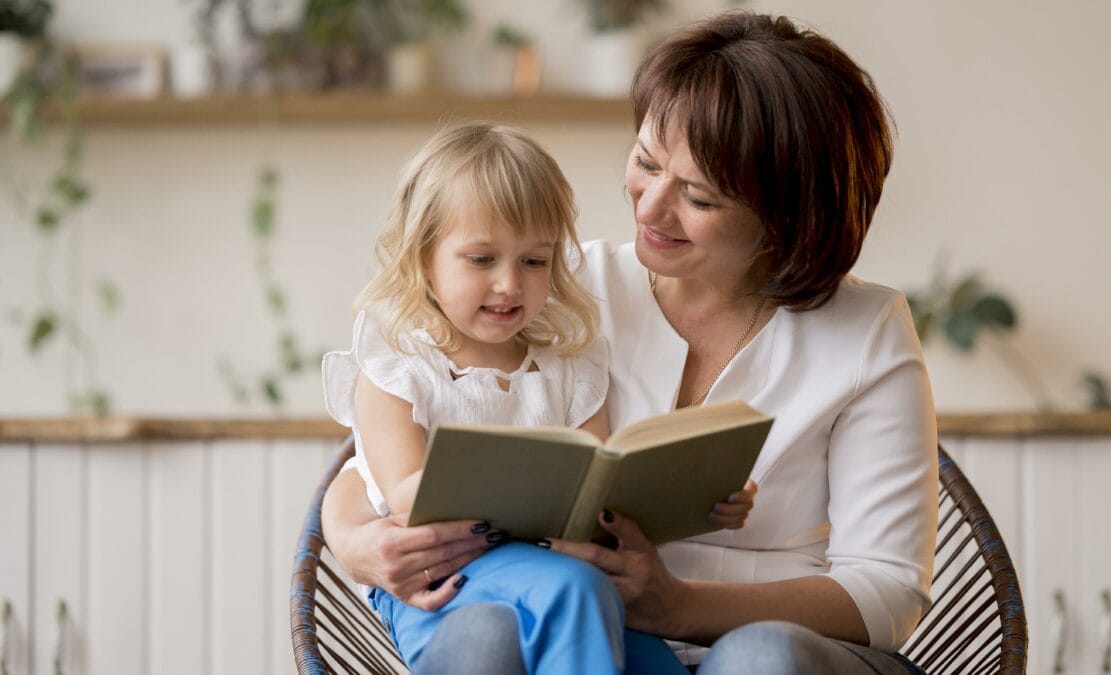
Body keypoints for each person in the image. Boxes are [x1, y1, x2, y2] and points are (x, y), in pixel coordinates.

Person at [322, 10, 938, 674]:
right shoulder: (555, 289)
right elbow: (388, 451)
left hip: (791, 651)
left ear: (786, 219)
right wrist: (356, 540)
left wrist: (677, 605)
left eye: (698, 198)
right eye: (645, 162)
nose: (648, 208)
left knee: (758, 658)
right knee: (489, 637)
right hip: (583, 631)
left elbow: (888, 592)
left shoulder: (867, 331)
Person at [321, 122, 756, 675]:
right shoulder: (397, 366)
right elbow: (408, 498)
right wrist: (520, 482)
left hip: (553, 572)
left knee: (648, 655)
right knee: (576, 587)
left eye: (534, 261)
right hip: (443, 580)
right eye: (481, 260)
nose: (509, 283)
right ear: (423, 257)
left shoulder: (570, 369)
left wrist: (699, 491)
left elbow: (598, 488)